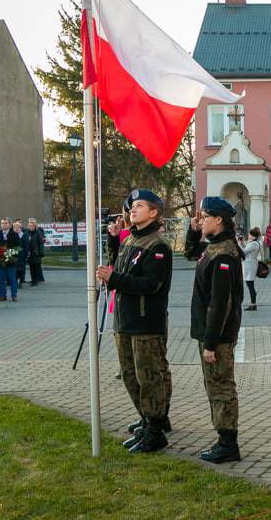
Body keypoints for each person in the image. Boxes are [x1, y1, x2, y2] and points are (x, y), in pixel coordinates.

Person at [97, 189, 172, 453]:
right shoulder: (131, 241)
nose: (133, 210)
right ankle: (146, 419)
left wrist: (113, 278)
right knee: (130, 375)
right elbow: (117, 268)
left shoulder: (157, 245)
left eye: (139, 206)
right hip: (125, 319)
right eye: (132, 206)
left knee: (148, 376)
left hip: (144, 323)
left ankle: (156, 429)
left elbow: (151, 284)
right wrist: (113, 242)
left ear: (154, 213)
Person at [185, 197, 244, 462]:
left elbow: (221, 304)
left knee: (221, 387)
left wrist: (210, 343)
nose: (202, 220)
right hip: (211, 333)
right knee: (214, 386)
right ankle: (223, 439)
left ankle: (228, 444)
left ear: (218, 220)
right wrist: (194, 229)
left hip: (218, 336)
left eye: (206, 217)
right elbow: (190, 253)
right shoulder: (214, 247)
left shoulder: (224, 254)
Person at [0, 218, 20, 302]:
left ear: (9, 224)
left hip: (10, 261)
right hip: (0, 261)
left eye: (5, 223)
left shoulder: (14, 234)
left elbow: (18, 247)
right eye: (2, 223)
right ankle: (2, 296)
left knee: (12, 280)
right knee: (1, 280)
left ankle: (14, 296)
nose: (3, 225)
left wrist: (8, 253)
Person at [240, 227, 262, 311]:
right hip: (250, 265)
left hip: (250, 266)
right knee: (250, 285)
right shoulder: (254, 243)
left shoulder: (254, 244)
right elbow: (246, 248)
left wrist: (238, 243)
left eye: (250, 234)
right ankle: (253, 303)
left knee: (250, 285)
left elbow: (243, 252)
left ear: (253, 236)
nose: (248, 235)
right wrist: (242, 242)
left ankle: (253, 304)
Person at [26, 218, 45, 285]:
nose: (30, 227)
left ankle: (36, 280)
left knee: (36, 267)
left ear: (35, 226)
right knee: (31, 267)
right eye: (29, 225)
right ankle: (33, 279)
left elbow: (41, 243)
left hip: (36, 253)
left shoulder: (38, 232)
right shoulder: (27, 233)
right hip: (29, 253)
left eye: (32, 225)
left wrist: (41, 252)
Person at [12, 219, 28, 289]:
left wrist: (26, 255)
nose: (16, 229)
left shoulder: (24, 235)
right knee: (14, 269)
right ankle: (14, 282)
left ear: (20, 228)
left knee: (21, 269)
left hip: (22, 255)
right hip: (14, 255)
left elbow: (26, 246)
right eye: (14, 227)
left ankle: (21, 281)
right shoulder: (12, 235)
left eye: (17, 227)